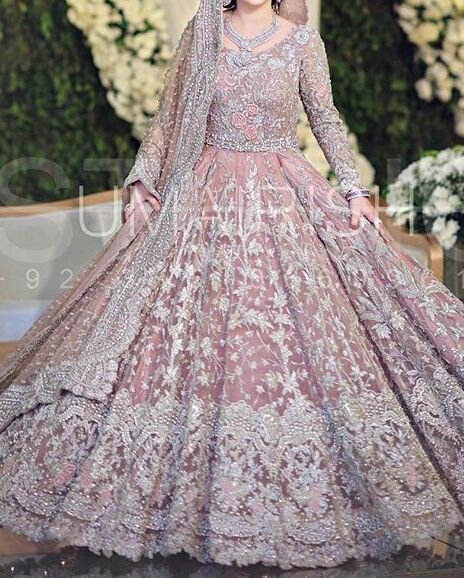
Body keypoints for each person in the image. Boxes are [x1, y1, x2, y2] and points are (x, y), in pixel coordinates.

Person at [0, 0, 464, 571]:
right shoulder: (202, 33)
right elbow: (170, 117)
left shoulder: (301, 45)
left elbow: (326, 121)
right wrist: (144, 179)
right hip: (202, 195)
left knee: (291, 335)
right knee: (177, 336)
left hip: (282, 192)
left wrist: (352, 190)